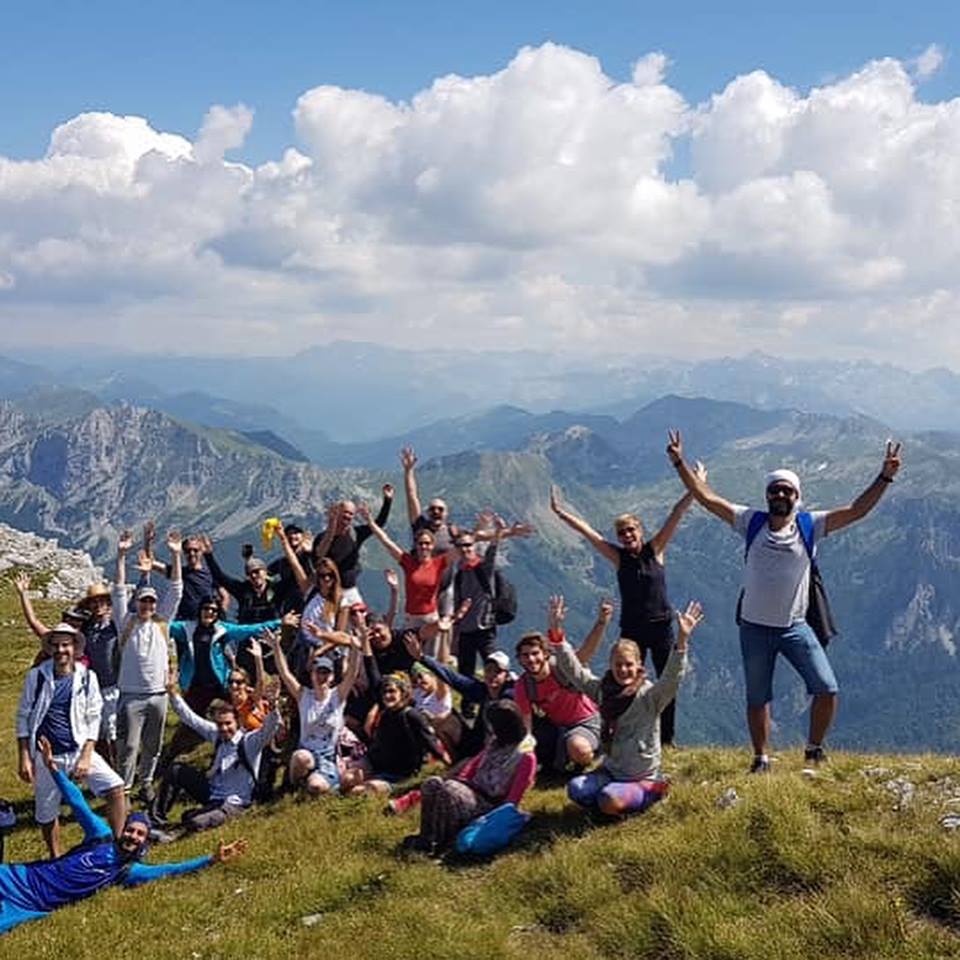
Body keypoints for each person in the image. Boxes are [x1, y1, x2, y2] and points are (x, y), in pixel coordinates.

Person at [666, 429, 903, 771]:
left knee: (826, 688)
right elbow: (705, 497)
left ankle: (814, 749)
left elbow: (856, 510)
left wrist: (884, 477)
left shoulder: (811, 525)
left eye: (786, 490)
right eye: (774, 489)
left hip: (795, 627)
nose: (779, 493)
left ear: (797, 496)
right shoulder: (750, 521)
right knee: (757, 697)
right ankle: (761, 758)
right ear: (767, 495)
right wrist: (679, 463)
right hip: (754, 628)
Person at [0, 735, 245, 935]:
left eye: (139, 835)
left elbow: (172, 869)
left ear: (145, 841)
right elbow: (78, 803)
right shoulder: (101, 836)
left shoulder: (128, 871)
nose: (133, 836)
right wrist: (54, 769)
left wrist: (210, 860)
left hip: (30, 904)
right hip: (21, 876)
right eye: (131, 830)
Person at [549, 474, 703, 747]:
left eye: (631, 530)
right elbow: (589, 533)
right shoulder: (618, 557)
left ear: (640, 531)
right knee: (622, 682)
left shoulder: (655, 550)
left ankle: (666, 739)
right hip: (632, 631)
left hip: (661, 628)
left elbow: (676, 514)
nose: (627, 536)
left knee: (668, 683)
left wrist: (696, 486)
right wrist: (561, 513)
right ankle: (619, 732)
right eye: (622, 533)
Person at [550, 597, 704, 816]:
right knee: (575, 789)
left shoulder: (650, 696)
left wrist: (681, 641)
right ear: (611, 665)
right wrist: (556, 634)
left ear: (639, 665)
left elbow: (671, 678)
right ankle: (614, 802)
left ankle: (654, 790)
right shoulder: (603, 690)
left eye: (629, 664)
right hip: (611, 771)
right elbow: (575, 672)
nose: (623, 669)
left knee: (608, 799)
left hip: (641, 776)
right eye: (618, 664)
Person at [16, 624, 126, 858]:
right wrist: (25, 756)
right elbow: (23, 716)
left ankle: (118, 847)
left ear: (75, 648)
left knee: (116, 788)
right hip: (46, 756)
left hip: (78, 749)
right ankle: (55, 857)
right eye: (55, 645)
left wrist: (87, 754)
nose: (60, 650)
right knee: (46, 812)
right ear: (49, 649)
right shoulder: (36, 676)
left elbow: (94, 716)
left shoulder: (87, 677)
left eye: (65, 644)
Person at [156, 597, 280, 775]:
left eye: (214, 610)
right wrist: (145, 616)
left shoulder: (223, 630)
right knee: (187, 722)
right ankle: (166, 761)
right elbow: (164, 626)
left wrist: (279, 622)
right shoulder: (186, 628)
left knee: (238, 715)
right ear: (200, 610)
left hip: (221, 685)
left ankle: (244, 753)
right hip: (196, 686)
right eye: (206, 608)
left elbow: (249, 629)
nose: (210, 613)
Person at [402, 699, 537, 856]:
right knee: (432, 783)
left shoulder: (526, 756)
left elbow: (513, 799)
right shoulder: (495, 743)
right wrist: (461, 781)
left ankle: (441, 842)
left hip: (491, 804)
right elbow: (473, 765)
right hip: (472, 791)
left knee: (449, 790)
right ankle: (427, 837)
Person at [154, 674, 281, 831]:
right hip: (212, 793)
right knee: (176, 770)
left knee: (195, 822)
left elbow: (269, 728)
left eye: (228, 724)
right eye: (220, 724)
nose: (224, 728)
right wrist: (173, 693)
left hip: (234, 803)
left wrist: (273, 705)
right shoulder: (217, 734)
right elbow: (190, 718)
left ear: (238, 722)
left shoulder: (249, 742)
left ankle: (187, 822)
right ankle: (156, 819)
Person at [113, 529, 183, 804]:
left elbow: (176, 589)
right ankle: (124, 790)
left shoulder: (162, 622)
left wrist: (176, 555)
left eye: (152, 601)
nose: (148, 605)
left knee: (153, 745)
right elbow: (118, 589)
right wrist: (120, 554)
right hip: (130, 693)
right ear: (137, 602)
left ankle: (146, 783)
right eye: (144, 600)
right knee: (128, 746)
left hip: (159, 694)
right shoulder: (125, 622)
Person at [340, 632, 449, 795]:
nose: (387, 696)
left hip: (399, 773)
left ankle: (393, 790)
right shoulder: (385, 709)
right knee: (347, 779)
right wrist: (365, 644)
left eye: (392, 692)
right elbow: (372, 669)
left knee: (360, 791)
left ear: (403, 693)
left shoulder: (411, 715)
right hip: (375, 761)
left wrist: (449, 766)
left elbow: (430, 743)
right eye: (384, 692)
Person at [268, 621, 361, 797]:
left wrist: (355, 648)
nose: (322, 677)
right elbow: (285, 673)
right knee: (300, 758)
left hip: (327, 757)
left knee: (317, 788)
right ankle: (292, 787)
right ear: (311, 674)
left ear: (333, 676)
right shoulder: (304, 695)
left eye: (326, 672)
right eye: (318, 672)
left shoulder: (338, 695)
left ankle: (312, 784)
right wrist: (276, 647)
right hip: (306, 753)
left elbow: (352, 673)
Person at [358, 503, 456, 638]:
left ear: (432, 546)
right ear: (416, 545)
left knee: (429, 658)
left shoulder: (439, 563)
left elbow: (462, 548)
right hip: (411, 619)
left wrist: (484, 533)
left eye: (427, 543)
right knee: (409, 656)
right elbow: (386, 541)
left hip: (431, 618)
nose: (423, 546)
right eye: (420, 543)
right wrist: (370, 522)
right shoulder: (408, 562)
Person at [514, 623, 601, 773]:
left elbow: (586, 652)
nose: (531, 659)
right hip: (557, 727)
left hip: (585, 722)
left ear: (545, 654)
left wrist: (601, 622)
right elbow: (526, 721)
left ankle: (588, 759)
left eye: (535, 653)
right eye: (525, 655)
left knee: (578, 748)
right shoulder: (523, 685)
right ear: (520, 659)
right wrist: (525, 746)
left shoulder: (562, 669)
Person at [311, 487, 394, 605]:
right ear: (337, 513)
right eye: (345, 512)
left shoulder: (356, 534)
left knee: (360, 620)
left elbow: (379, 523)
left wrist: (387, 500)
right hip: (328, 591)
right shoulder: (322, 537)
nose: (348, 516)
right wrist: (331, 527)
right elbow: (319, 554)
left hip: (349, 590)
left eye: (351, 514)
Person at [78, 582, 121, 767]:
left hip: (114, 685)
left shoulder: (115, 626)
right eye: (93, 603)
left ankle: (120, 767)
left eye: (102, 602)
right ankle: (108, 767)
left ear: (108, 604)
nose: (98, 606)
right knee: (98, 730)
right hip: (94, 687)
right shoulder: (85, 629)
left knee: (113, 729)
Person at [201, 536, 283, 625]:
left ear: (265, 572)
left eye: (256, 571)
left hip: (273, 632)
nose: (253, 576)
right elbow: (220, 577)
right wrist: (208, 555)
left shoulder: (277, 588)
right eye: (249, 574)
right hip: (248, 633)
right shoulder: (242, 590)